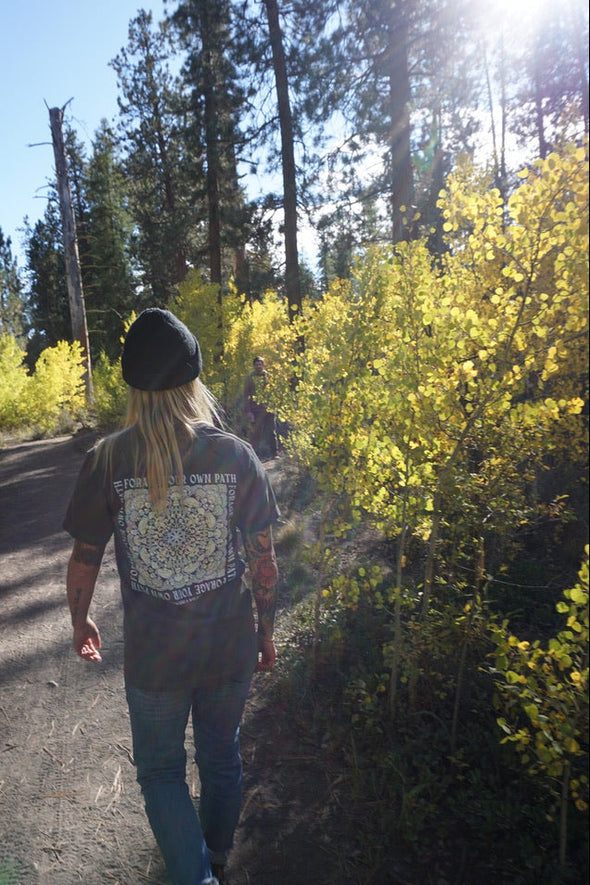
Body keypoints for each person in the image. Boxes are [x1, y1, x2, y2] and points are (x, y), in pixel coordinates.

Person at [63, 308, 279, 885]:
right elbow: (263, 559)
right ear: (193, 381)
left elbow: (85, 556)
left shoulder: (107, 460)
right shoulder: (236, 455)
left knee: (160, 772)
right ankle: (215, 859)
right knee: (221, 756)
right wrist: (265, 630)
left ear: (134, 389)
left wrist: (80, 621)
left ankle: (197, 874)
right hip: (228, 645)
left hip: (156, 658)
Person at [243, 356, 278, 459]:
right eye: (256, 364)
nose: (258, 366)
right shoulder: (250, 378)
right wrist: (248, 412)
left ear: (263, 365)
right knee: (256, 433)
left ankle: (274, 454)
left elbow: (274, 393)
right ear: (254, 365)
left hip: (268, 409)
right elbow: (246, 395)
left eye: (260, 364)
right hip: (255, 410)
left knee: (271, 432)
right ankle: (255, 455)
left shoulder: (269, 377)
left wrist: (274, 406)